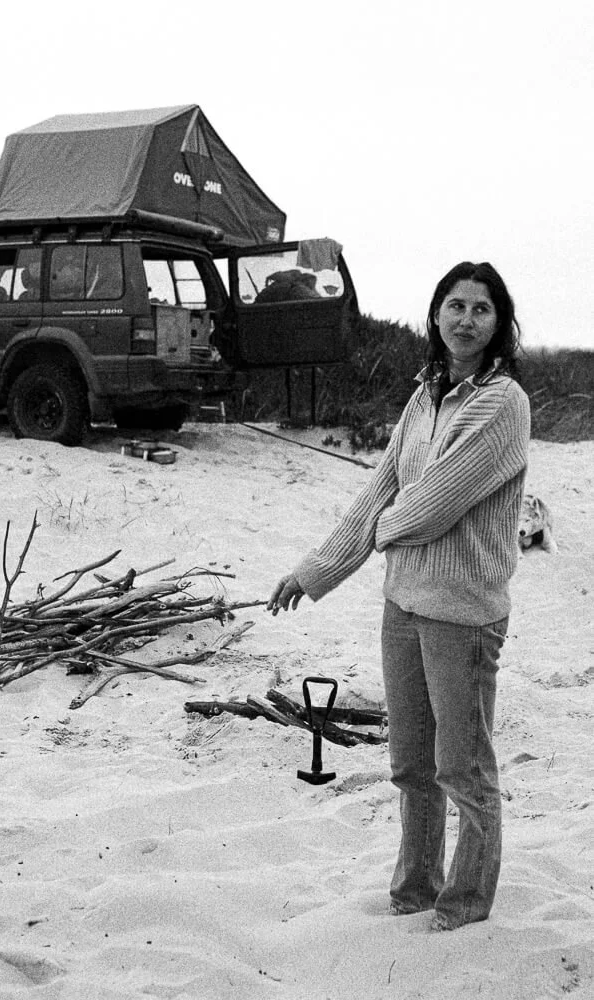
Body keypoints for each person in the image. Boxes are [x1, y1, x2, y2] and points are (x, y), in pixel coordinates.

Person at [267, 261, 531, 932]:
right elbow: (379, 491)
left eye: (479, 308)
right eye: (453, 305)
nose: (464, 318)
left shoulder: (502, 402)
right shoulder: (425, 396)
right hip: (402, 604)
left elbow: (432, 506)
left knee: (461, 767)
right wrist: (314, 570)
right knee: (411, 764)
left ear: (498, 323)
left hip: (463, 614)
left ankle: (465, 900)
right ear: (434, 315)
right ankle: (416, 886)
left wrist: (379, 534)